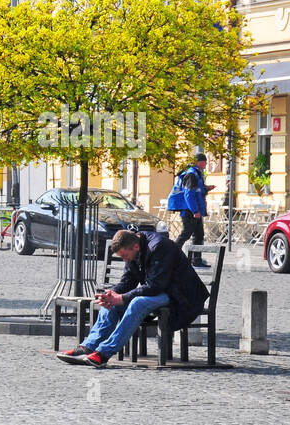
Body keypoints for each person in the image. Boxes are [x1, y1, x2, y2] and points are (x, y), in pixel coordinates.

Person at [56, 229, 210, 368]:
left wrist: (122, 298)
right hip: (161, 291)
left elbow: (156, 285)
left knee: (138, 302)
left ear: (135, 247)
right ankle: (88, 347)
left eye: (125, 256)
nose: (124, 260)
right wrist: (111, 295)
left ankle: (103, 353)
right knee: (112, 301)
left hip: (181, 296)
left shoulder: (159, 247)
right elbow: (127, 282)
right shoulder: (134, 248)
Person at [167, 152, 210, 267]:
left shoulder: (196, 173)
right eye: (205, 162)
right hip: (189, 210)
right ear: (199, 162)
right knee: (186, 234)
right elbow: (188, 194)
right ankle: (171, 256)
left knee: (198, 235)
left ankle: (196, 260)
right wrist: (195, 211)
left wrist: (206, 188)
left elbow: (197, 191)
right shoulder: (191, 175)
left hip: (194, 210)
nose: (206, 164)